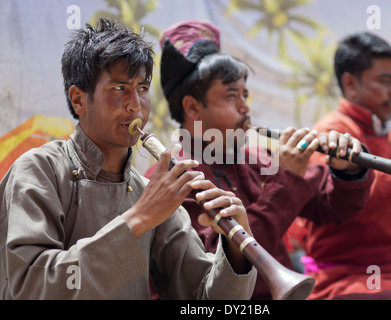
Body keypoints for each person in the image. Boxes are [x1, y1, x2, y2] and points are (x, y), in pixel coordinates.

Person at [0, 18, 257, 300]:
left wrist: (235, 250)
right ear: (79, 100)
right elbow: (31, 288)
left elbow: (200, 300)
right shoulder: (38, 170)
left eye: (143, 88)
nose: (135, 104)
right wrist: (139, 218)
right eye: (119, 88)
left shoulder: (149, 193)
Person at [144, 20, 376, 300]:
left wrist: (348, 170)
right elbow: (218, 267)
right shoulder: (171, 176)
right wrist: (287, 179)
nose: (245, 107)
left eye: (245, 94)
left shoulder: (254, 157)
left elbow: (332, 208)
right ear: (192, 107)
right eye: (231, 96)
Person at [298, 31, 391, 300]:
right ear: (350, 84)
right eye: (385, 81)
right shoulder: (331, 133)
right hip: (346, 277)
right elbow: (364, 205)